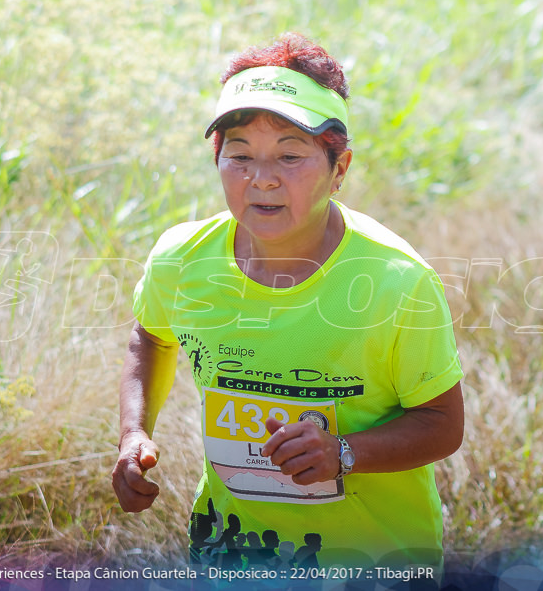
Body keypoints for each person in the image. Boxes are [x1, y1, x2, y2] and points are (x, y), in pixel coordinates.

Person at [111, 33, 464, 572]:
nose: (262, 179)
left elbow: (442, 422)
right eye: (240, 156)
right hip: (233, 559)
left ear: (339, 168)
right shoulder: (181, 260)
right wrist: (135, 432)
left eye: (291, 156)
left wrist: (342, 453)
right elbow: (151, 337)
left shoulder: (396, 282)